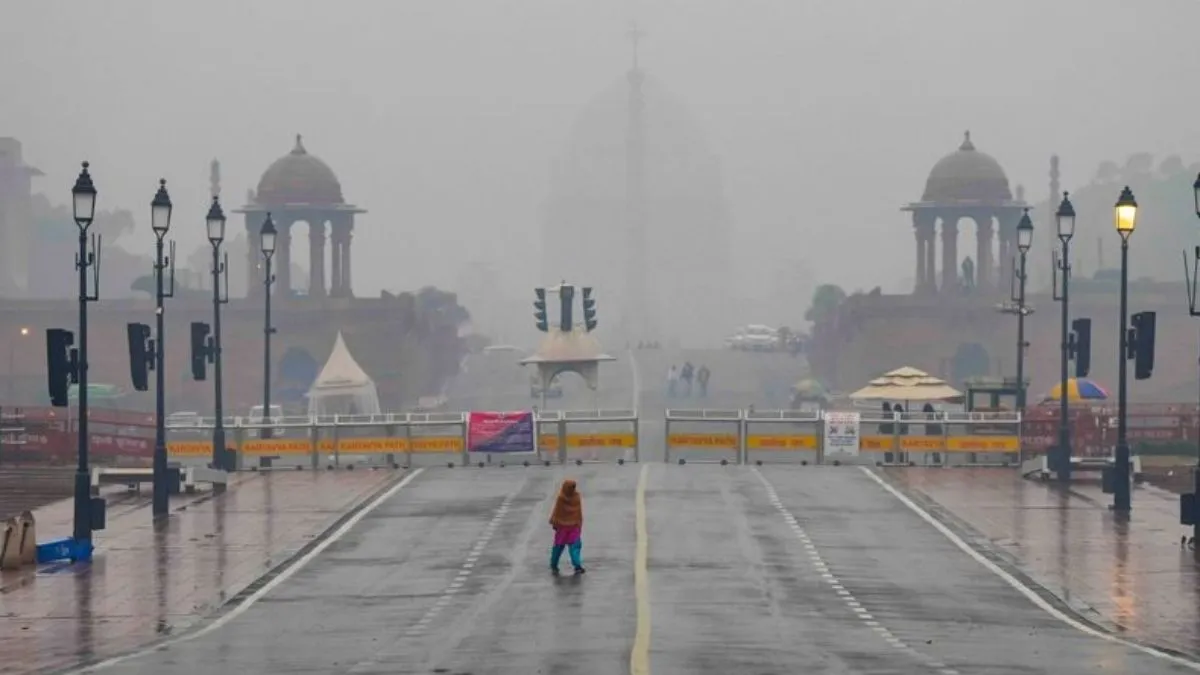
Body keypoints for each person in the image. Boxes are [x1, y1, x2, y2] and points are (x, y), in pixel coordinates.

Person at [549, 478, 585, 576]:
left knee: (558, 547)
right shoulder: (576, 497)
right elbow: (578, 512)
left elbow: (557, 512)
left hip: (562, 527)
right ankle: (577, 565)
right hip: (574, 527)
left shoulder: (561, 498)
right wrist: (579, 523)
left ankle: (554, 564)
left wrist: (555, 523)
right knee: (575, 547)